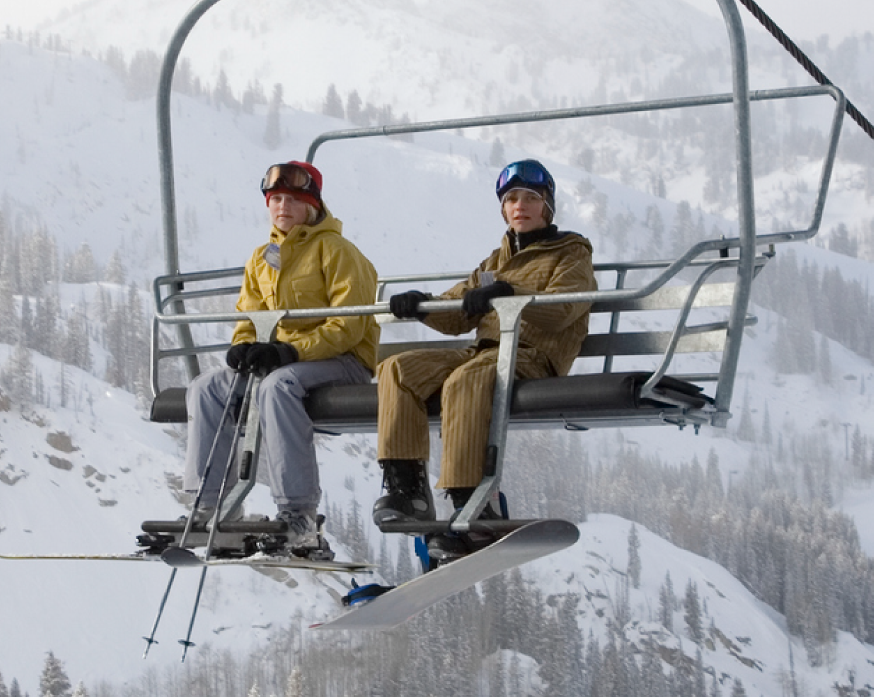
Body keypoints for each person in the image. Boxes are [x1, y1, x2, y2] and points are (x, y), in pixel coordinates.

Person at [372, 160, 595, 532]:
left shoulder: (570, 254)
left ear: (547, 206)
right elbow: (458, 313)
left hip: (532, 357)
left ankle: (471, 500)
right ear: (503, 209)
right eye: (511, 199)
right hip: (486, 352)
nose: (519, 206)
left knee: (466, 380)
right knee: (398, 368)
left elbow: (563, 309)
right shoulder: (497, 259)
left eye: (530, 198)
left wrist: (510, 293)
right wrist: (422, 305)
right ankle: (406, 488)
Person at [185, 162, 378, 560]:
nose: (283, 207)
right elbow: (249, 315)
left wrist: (291, 351)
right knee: (205, 388)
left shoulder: (338, 252)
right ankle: (211, 510)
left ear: (312, 205)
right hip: (284, 363)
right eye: (275, 200)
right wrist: (244, 345)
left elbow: (350, 324)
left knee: (278, 387)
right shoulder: (262, 258)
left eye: (293, 199)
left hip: (341, 362)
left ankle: (299, 515)